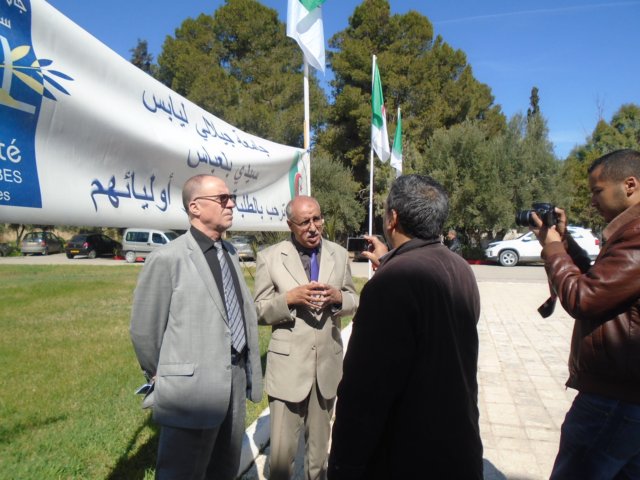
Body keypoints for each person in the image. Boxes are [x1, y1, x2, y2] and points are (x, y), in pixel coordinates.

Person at [328, 174, 483, 479]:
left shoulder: (391, 283)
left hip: (408, 455)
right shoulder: (460, 267)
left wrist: (344, 466)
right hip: (457, 446)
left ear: (393, 218)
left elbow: (364, 392)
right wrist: (391, 262)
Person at [130, 174, 263, 480]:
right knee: (182, 472)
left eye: (231, 198)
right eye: (222, 199)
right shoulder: (167, 258)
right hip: (190, 392)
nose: (231, 205)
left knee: (224, 469)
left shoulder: (229, 252)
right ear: (195, 207)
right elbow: (144, 330)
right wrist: (166, 374)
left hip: (234, 380)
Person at [531, 149, 640, 479]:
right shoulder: (628, 232)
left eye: (597, 191)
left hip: (614, 399)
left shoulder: (636, 235)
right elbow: (601, 281)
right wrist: (564, 243)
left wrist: (552, 248)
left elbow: (583, 298)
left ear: (630, 185)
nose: (592, 202)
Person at [254, 195, 359, 480]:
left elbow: (353, 299)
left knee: (319, 457)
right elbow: (258, 310)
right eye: (304, 222)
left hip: (327, 368)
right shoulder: (270, 257)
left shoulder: (339, 254)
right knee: (281, 458)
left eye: (317, 219)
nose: (313, 227)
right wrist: (289, 299)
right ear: (290, 225)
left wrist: (338, 298)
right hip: (288, 370)